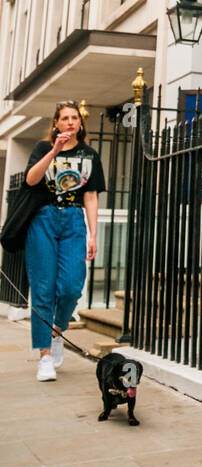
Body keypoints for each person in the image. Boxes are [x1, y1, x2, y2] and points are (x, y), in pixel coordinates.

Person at [24, 101, 106, 381]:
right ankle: (44, 357)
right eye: (64, 118)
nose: (70, 122)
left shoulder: (89, 155)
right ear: (56, 123)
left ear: (80, 124)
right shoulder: (42, 148)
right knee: (44, 289)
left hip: (73, 221)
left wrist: (94, 234)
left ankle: (57, 330)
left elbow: (91, 196)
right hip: (43, 220)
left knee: (71, 286)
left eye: (75, 118)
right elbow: (32, 180)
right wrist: (55, 150)